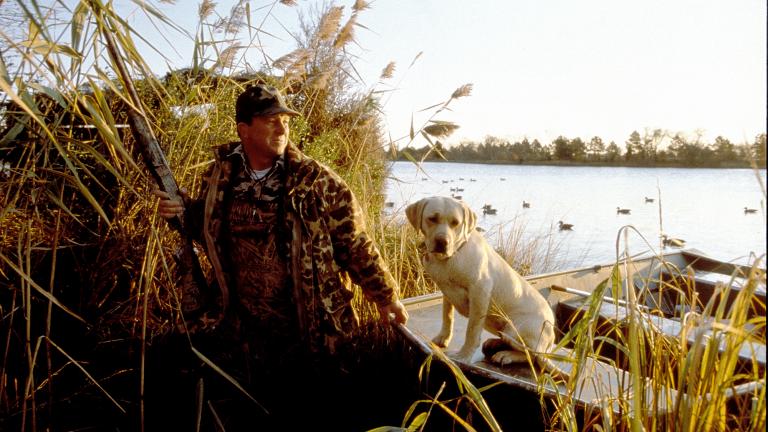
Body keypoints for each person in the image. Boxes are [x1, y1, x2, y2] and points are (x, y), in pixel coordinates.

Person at [152, 83, 408, 429]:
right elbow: (206, 227)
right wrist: (179, 210)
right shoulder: (219, 177)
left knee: (311, 413)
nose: (282, 127)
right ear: (244, 130)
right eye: (270, 120)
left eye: (285, 119)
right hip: (242, 329)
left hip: (308, 331)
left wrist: (386, 296)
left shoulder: (316, 181)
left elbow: (356, 244)